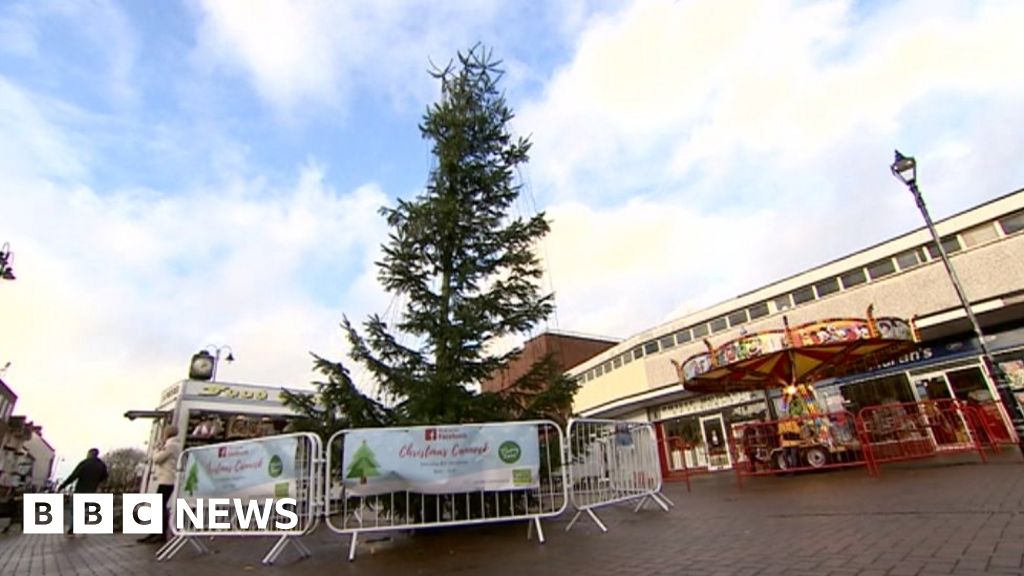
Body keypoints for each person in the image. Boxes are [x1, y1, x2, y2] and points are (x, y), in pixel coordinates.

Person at [139, 426, 181, 544]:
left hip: (166, 480)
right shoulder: (174, 445)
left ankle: (160, 533)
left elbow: (157, 459)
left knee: (159, 506)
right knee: (160, 506)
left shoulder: (171, 446)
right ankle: (157, 532)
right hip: (167, 479)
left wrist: (156, 448)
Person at [57, 448, 108, 536]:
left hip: (80, 490)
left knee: (75, 510)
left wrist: (63, 485)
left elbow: (74, 475)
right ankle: (82, 521)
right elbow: (105, 477)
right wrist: (97, 482)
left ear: (90, 454)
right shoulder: (101, 465)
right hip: (91, 491)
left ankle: (73, 529)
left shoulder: (85, 463)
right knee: (83, 508)